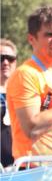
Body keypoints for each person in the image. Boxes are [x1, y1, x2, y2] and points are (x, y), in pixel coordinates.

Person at [5, 6, 52, 163]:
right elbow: (32, 127)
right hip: (36, 169)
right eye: (49, 34)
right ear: (31, 39)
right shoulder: (25, 74)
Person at [0, 39, 18, 167]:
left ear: (15, 62)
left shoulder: (25, 92)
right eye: (1, 58)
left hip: (21, 166)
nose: (5, 62)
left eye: (10, 59)